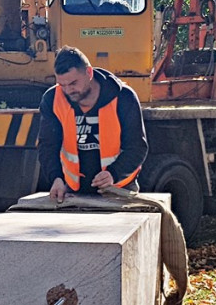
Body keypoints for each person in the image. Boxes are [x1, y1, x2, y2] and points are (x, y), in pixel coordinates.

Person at [37, 46, 148, 203]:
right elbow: (47, 146)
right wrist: (56, 178)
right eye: (62, 85)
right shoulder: (52, 99)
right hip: (73, 191)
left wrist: (113, 174)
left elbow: (137, 147)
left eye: (73, 83)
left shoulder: (124, 97)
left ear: (89, 73)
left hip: (119, 189)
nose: (68, 90)